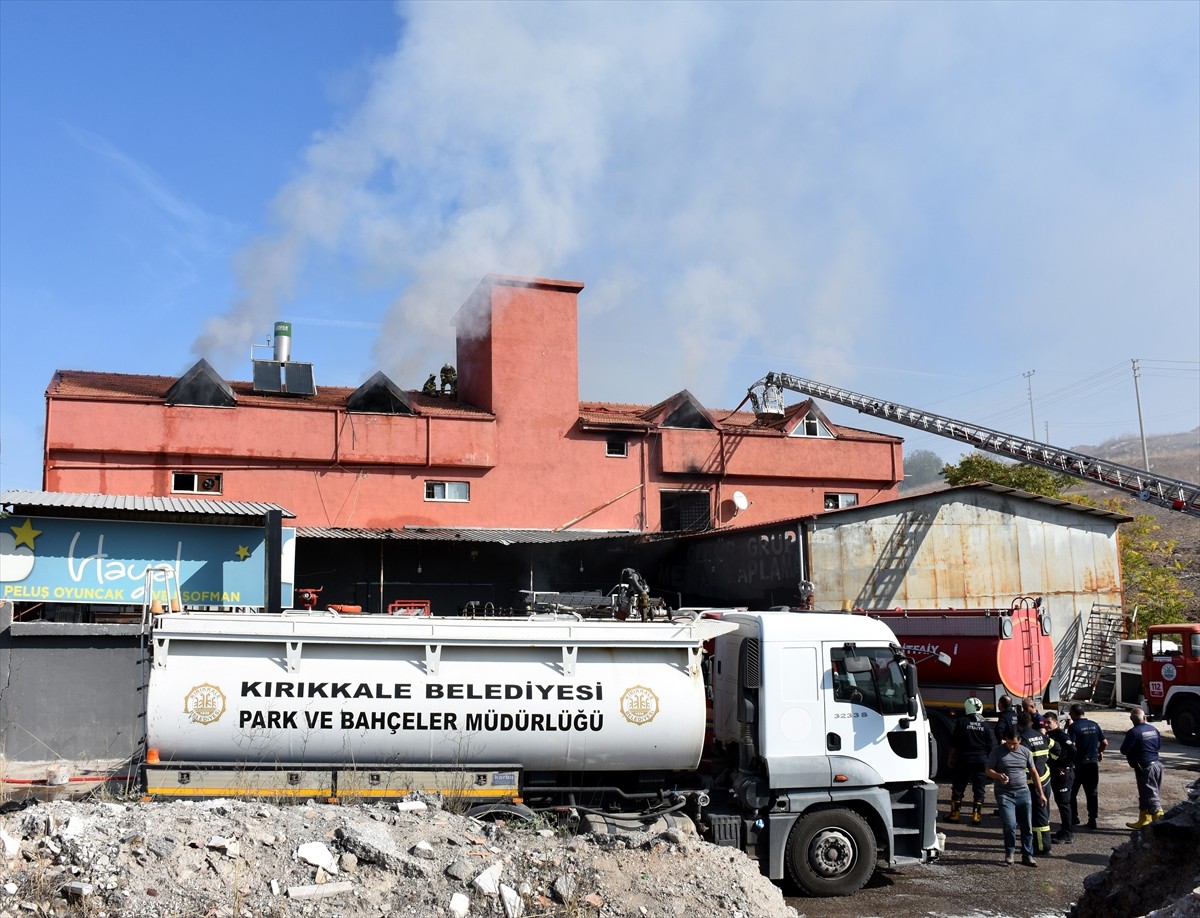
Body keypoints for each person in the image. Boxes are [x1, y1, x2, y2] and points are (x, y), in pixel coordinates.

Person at [986, 724, 1048, 867]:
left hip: (1023, 793)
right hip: (1004, 793)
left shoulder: (1026, 752)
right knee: (1010, 824)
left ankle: (1028, 855)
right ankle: (1010, 852)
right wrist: (998, 776)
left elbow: (1034, 772)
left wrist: (1041, 794)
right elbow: (988, 770)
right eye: (1008, 743)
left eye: (1014, 744)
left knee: (1027, 826)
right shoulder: (997, 752)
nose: (1011, 747)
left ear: (1019, 740)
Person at [948, 696, 993, 824]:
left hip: (964, 759)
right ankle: (976, 815)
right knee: (979, 788)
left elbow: (954, 743)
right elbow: (990, 745)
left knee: (958, 787)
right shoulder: (985, 725)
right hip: (981, 761)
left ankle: (955, 814)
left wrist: (950, 758)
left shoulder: (962, 722)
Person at [1119, 707, 1164, 828]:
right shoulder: (1153, 729)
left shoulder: (1134, 732)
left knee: (1151, 797)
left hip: (1145, 768)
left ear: (1131, 719)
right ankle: (1144, 819)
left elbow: (1124, 750)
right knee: (1146, 794)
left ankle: (1161, 826)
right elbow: (1158, 746)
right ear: (1144, 717)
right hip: (1157, 766)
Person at [1018, 711, 1054, 856]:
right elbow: (1056, 747)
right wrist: (1059, 764)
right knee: (1044, 812)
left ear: (1018, 724)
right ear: (1031, 722)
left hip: (1033, 782)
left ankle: (1042, 847)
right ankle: (1040, 843)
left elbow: (1022, 762)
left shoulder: (1023, 739)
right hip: (1045, 778)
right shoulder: (1042, 736)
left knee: (1038, 816)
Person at [1068, 703, 1108, 830]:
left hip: (1078, 764)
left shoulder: (1073, 727)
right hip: (1092, 763)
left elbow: (1072, 746)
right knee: (1092, 792)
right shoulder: (1094, 725)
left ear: (1074, 714)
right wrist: (1099, 751)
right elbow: (1104, 742)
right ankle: (1092, 819)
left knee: (1072, 792)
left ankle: (1074, 817)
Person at [1045, 711, 1077, 843]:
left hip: (1064, 774)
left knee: (1064, 803)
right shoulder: (1050, 735)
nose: (1046, 725)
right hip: (1056, 773)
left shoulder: (1060, 735)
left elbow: (1073, 750)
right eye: (1045, 722)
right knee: (1060, 802)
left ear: (1056, 723)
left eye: (1049, 722)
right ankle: (1064, 829)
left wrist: (1064, 766)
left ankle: (1067, 834)